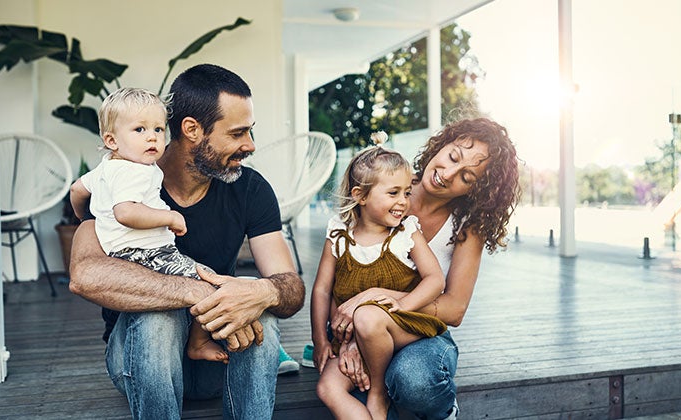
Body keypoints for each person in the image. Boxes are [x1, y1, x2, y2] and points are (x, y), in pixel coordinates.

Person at [68, 64, 305, 420]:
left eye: (250, 132)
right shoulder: (121, 179)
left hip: (219, 358)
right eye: (238, 133)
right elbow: (85, 276)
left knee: (263, 316)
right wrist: (197, 292)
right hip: (139, 361)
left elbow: (290, 287)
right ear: (192, 130)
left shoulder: (250, 189)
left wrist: (262, 294)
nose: (250, 146)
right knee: (158, 318)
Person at [327, 117, 521, 419]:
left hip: (424, 332)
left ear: (476, 191)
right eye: (453, 156)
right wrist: (350, 340)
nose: (448, 173)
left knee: (414, 380)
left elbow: (454, 309)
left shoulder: (466, 228)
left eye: (467, 177)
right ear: (442, 144)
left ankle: (445, 411)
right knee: (348, 384)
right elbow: (335, 277)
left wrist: (375, 299)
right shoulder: (381, 184)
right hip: (361, 326)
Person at [69, 87, 227, 363]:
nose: (152, 136)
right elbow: (126, 213)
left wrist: (86, 217)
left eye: (158, 128)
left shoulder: (106, 168)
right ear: (111, 140)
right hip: (148, 253)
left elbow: (76, 191)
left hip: (121, 256)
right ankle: (198, 343)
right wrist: (171, 217)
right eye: (139, 130)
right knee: (209, 281)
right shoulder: (135, 172)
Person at [311, 133, 447, 420]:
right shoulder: (338, 234)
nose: (403, 202)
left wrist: (405, 305)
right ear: (360, 196)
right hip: (355, 335)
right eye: (393, 193)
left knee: (368, 316)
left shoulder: (407, 232)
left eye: (407, 192)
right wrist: (321, 341)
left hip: (403, 325)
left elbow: (435, 279)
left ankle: (378, 394)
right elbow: (323, 290)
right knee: (327, 388)